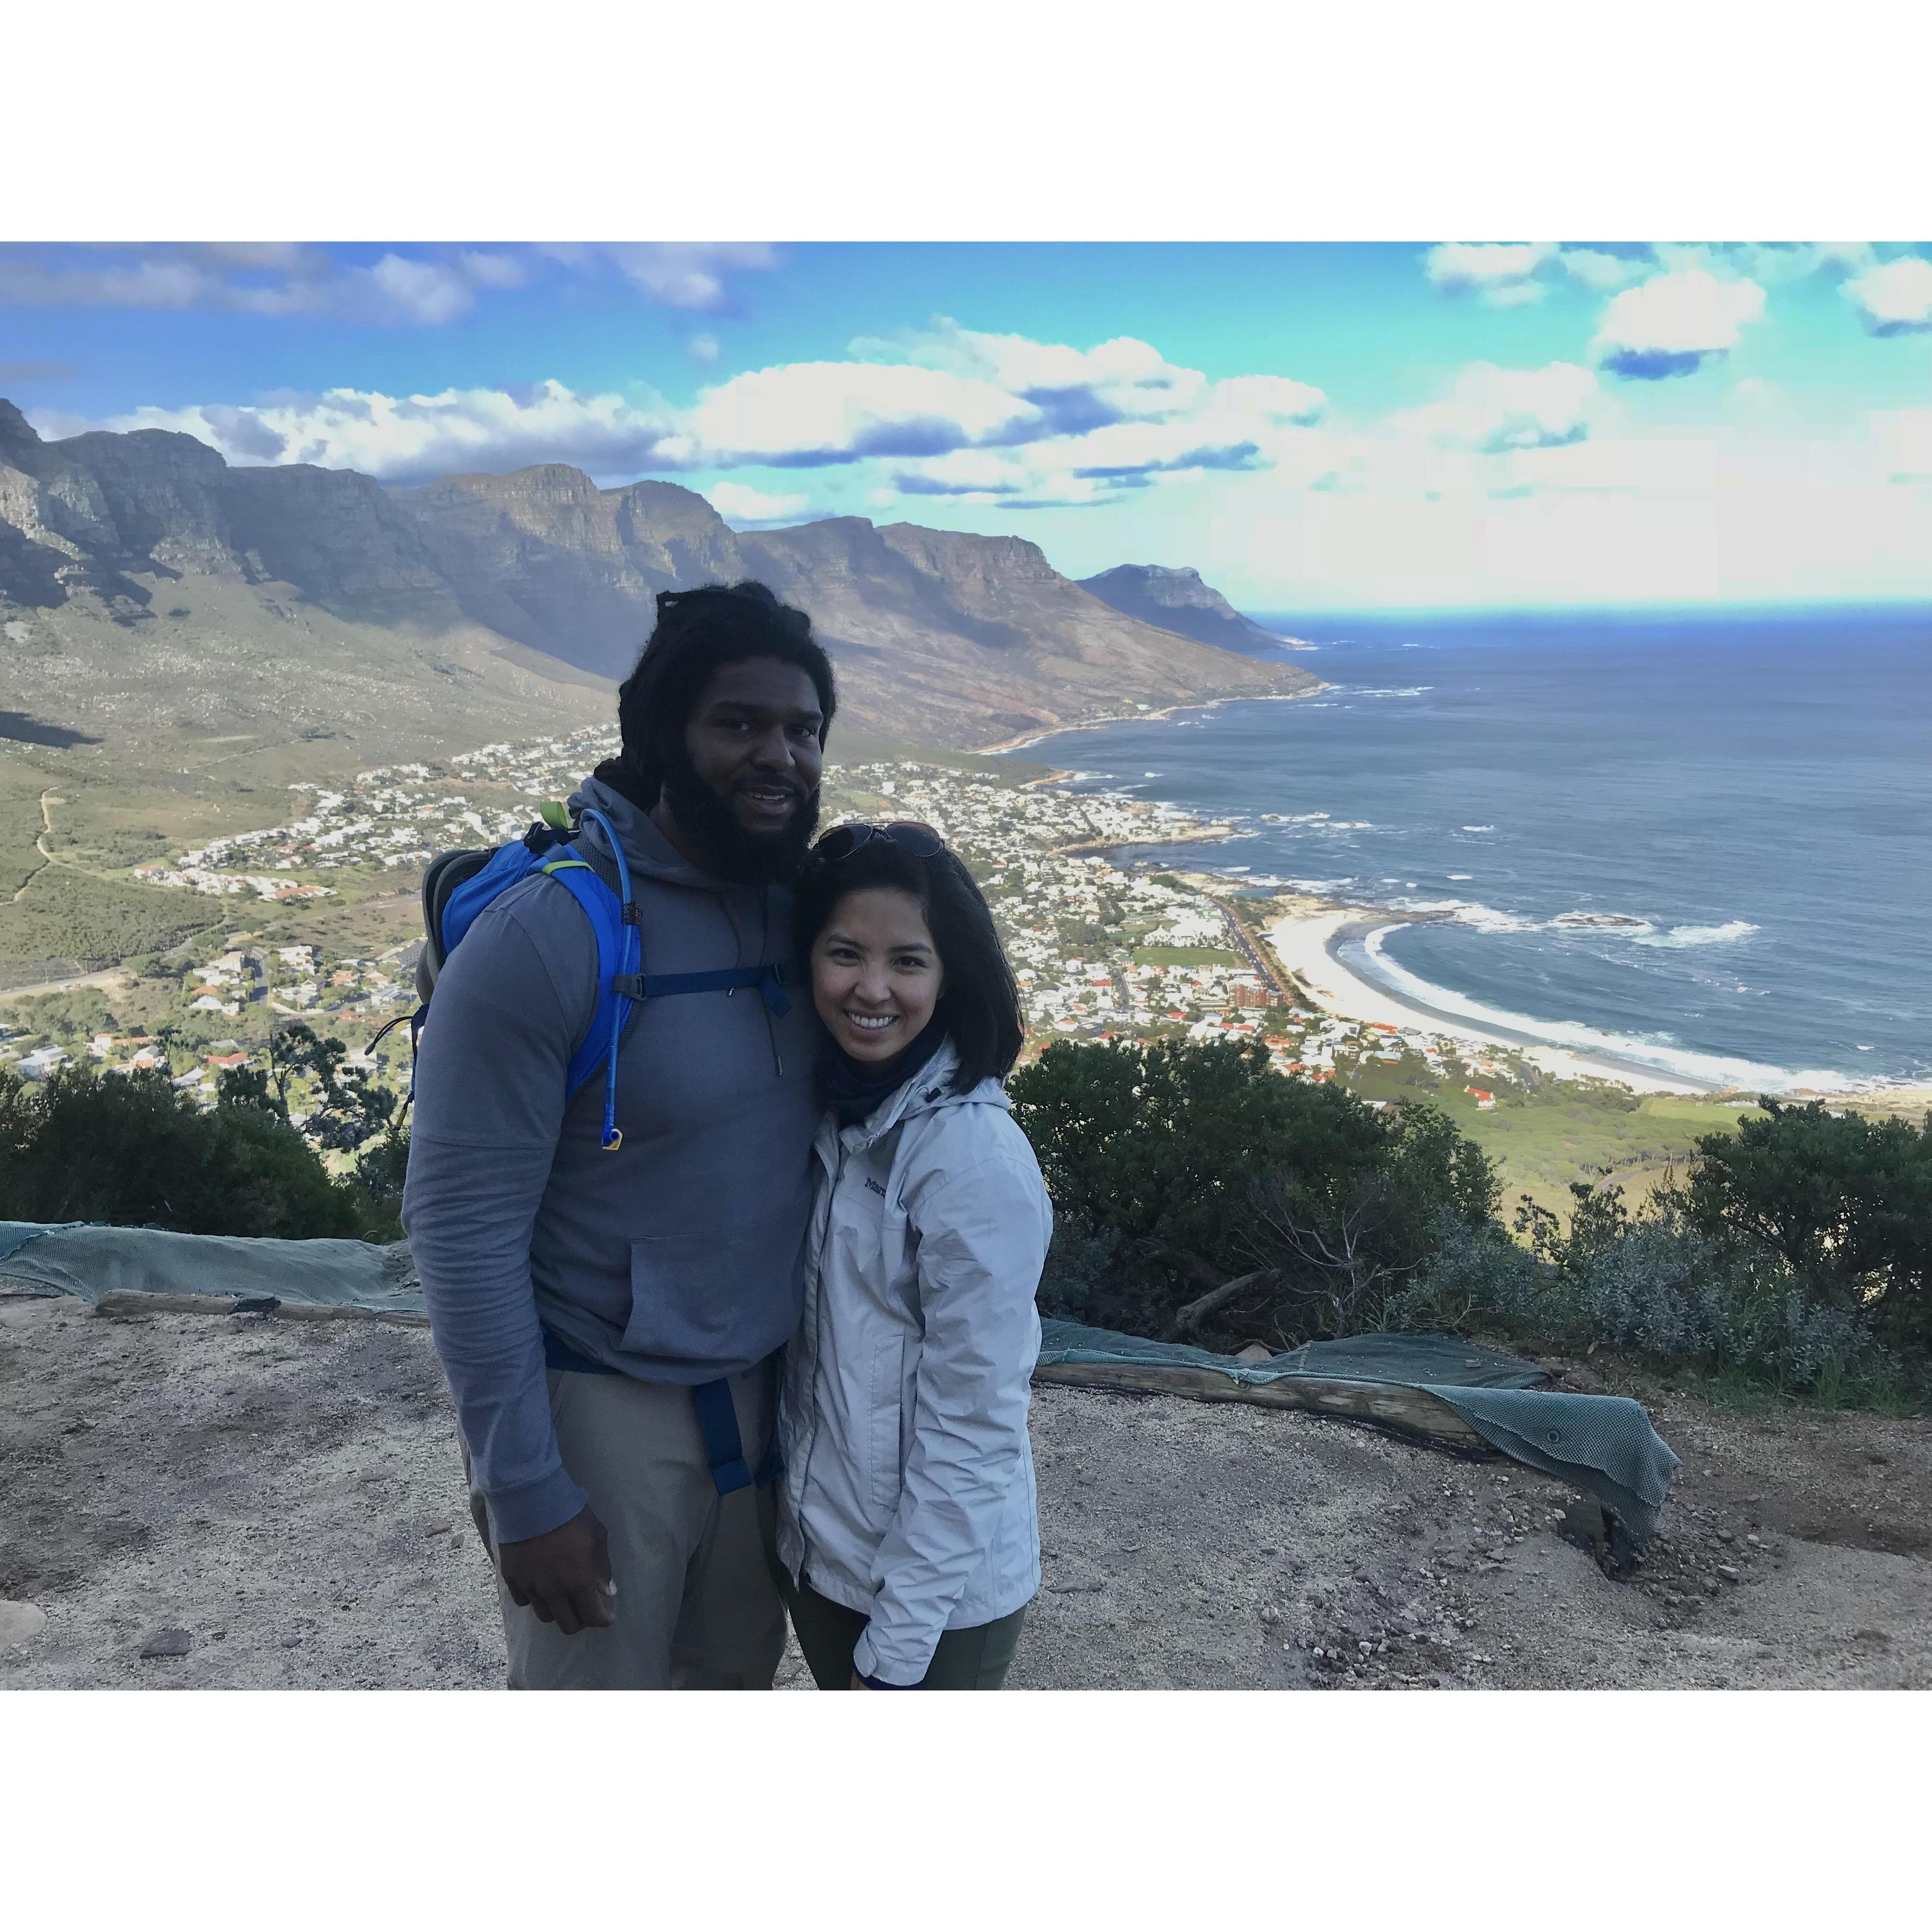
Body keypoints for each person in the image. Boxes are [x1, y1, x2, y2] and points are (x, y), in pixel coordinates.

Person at [402, 581, 834, 1690]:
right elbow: (459, 1228)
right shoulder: (549, 937)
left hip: (763, 1408)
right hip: (598, 1409)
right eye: (737, 724)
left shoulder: (803, 915)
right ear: (663, 739)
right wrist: (526, 1490)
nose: (776, 754)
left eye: (802, 728)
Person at [776, 820, 1051, 1689]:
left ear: (950, 975)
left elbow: (974, 1424)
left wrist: (896, 1652)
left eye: (908, 962)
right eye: (846, 953)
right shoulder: (832, 1115)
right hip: (824, 1558)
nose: (872, 989)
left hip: (936, 1601)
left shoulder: (972, 1160)